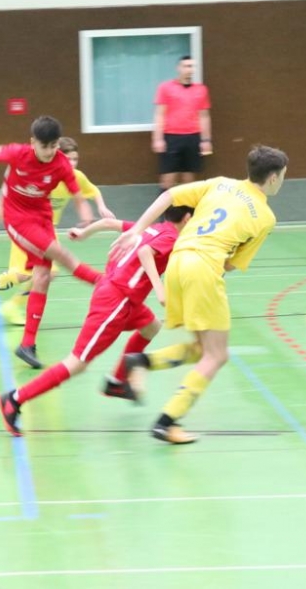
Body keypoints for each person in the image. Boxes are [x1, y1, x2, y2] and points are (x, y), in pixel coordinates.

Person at [110, 145, 288, 444]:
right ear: (273, 178)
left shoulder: (220, 183)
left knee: (201, 349)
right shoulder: (266, 217)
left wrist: (137, 229)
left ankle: (140, 361)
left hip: (177, 262)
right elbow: (231, 264)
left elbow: (169, 195)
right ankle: (167, 421)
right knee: (217, 355)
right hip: (203, 269)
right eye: (283, 176)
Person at [0, 206, 194, 437]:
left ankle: (116, 382)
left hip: (121, 295)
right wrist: (160, 290)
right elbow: (145, 253)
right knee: (77, 363)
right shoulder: (171, 238)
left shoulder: (151, 228)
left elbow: (109, 223)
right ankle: (15, 399)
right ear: (187, 218)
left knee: (151, 326)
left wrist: (85, 232)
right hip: (116, 302)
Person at [0, 116, 103, 369]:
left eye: (54, 145)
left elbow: (75, 190)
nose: (50, 151)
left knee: (42, 277)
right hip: (17, 218)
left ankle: (27, 345)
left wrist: (84, 209)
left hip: (42, 217)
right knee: (58, 253)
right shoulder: (19, 154)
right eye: (45, 146)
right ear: (33, 142)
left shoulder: (61, 163)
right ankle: (101, 281)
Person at [153, 55, 212, 191]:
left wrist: (206, 140)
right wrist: (158, 139)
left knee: (189, 178)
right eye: (186, 66)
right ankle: (164, 204)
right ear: (178, 68)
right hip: (171, 138)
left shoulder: (201, 89)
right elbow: (159, 114)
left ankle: (187, 205)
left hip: (193, 137)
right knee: (168, 178)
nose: (189, 69)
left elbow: (204, 116)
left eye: (192, 66)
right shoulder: (165, 87)